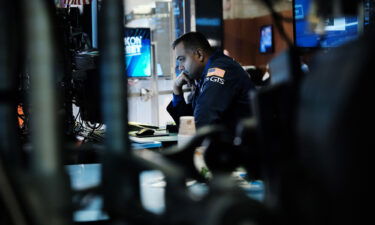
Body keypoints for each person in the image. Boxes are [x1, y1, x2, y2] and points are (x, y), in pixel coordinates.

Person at [167, 32, 254, 131]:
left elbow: (201, 124)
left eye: (182, 59)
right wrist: (176, 88)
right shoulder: (204, 75)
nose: (180, 67)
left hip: (237, 144)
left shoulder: (220, 69)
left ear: (199, 55)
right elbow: (189, 123)